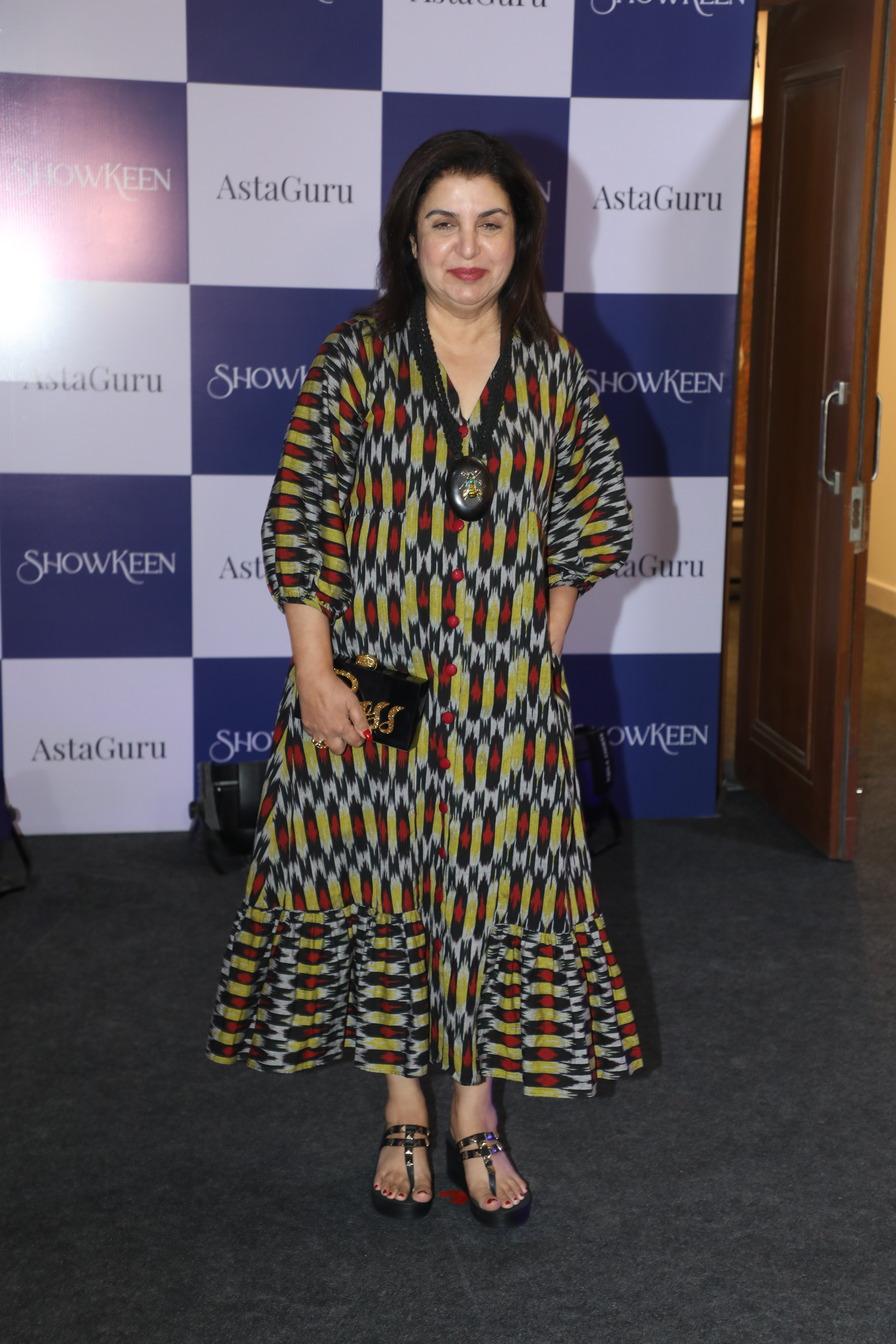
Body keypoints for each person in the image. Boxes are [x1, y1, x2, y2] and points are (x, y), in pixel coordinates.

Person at [207, 129, 643, 1227]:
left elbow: (591, 521)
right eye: (442, 222)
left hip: (502, 696)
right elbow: (299, 518)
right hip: (374, 678)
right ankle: (405, 1105)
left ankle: (473, 1113)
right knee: (392, 887)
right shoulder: (357, 356)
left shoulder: (551, 368)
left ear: (520, 239)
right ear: (409, 238)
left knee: (490, 896)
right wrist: (314, 670)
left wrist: (541, 640)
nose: (466, 245)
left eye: (490, 222)